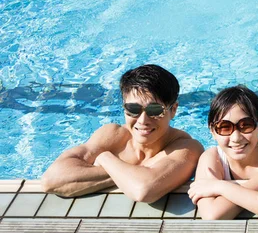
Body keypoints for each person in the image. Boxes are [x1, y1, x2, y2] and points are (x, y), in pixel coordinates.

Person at [41, 64, 204, 203]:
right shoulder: (113, 134)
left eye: (154, 110)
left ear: (173, 110)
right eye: (133, 109)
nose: (142, 120)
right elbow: (51, 180)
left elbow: (144, 190)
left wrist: (105, 158)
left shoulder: (186, 147)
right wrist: (136, 172)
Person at [188, 85, 258, 219]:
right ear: (213, 131)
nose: (236, 138)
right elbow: (212, 216)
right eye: (225, 127)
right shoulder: (212, 158)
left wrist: (220, 187)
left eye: (246, 125)